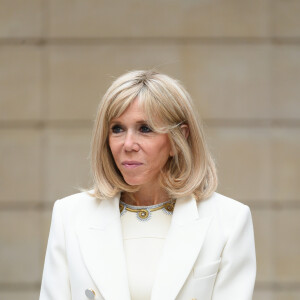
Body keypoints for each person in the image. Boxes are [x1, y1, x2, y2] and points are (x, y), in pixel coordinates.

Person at [39, 70, 256, 300]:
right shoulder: (69, 216)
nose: (128, 144)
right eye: (117, 129)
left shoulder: (230, 221)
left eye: (145, 129)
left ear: (178, 140)